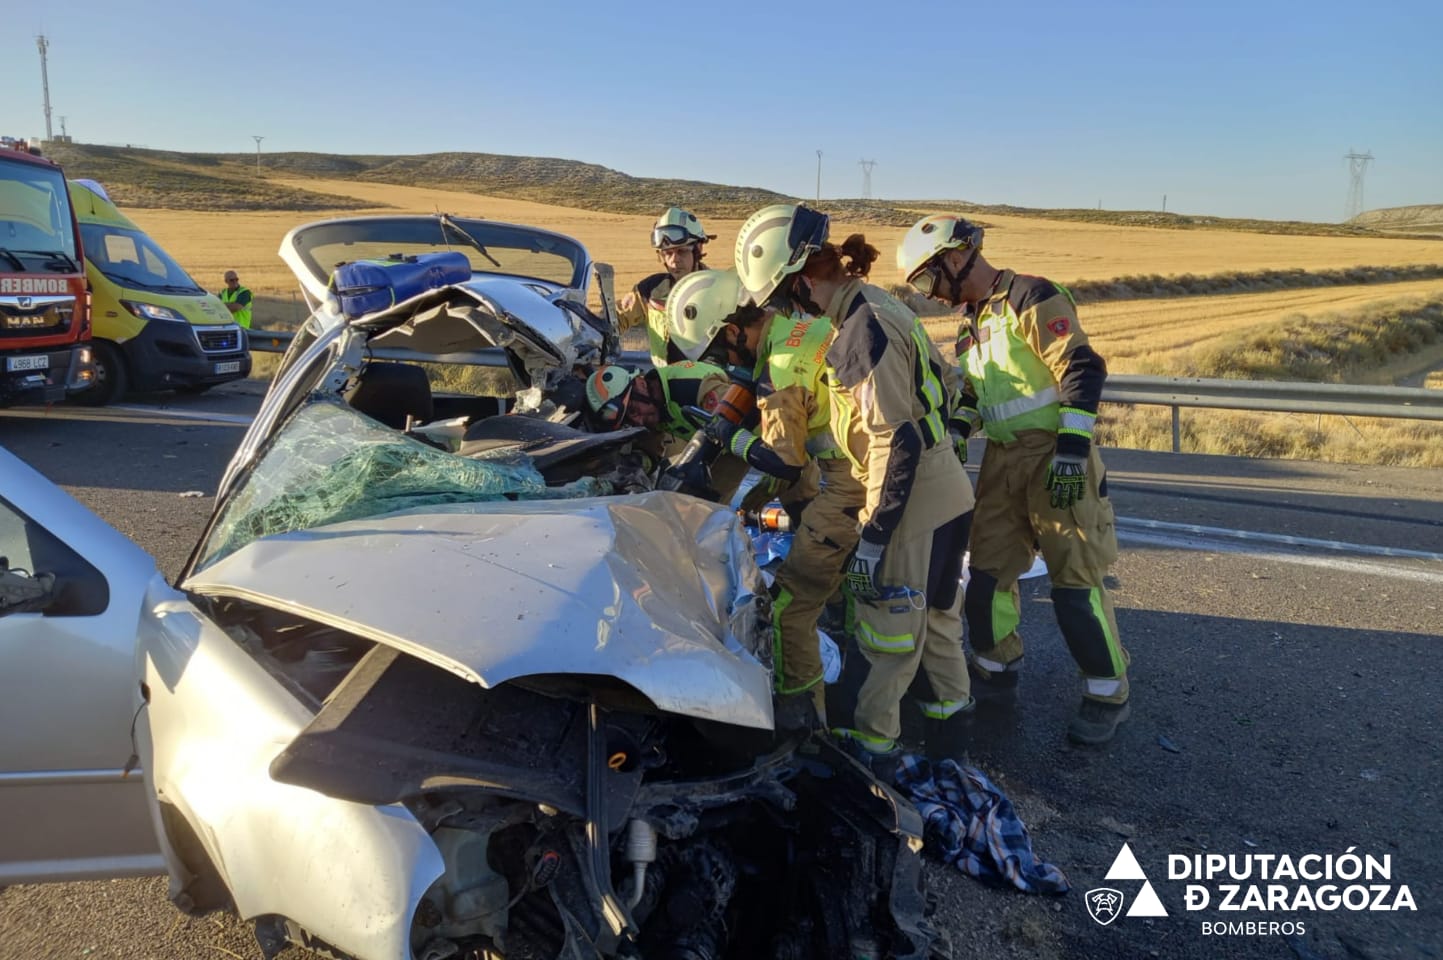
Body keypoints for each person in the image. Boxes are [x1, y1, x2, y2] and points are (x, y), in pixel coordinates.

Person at [735, 203, 976, 772]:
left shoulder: (862, 329)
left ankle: (874, 761)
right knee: (938, 625)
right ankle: (951, 747)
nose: (787, 311)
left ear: (800, 278)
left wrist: (872, 536)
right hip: (946, 493)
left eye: (781, 298)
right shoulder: (875, 308)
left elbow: (897, 442)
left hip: (910, 501)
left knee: (887, 639)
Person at [896, 214, 1130, 745]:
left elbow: (1082, 368)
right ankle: (996, 675)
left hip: (1054, 455)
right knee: (986, 579)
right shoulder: (971, 323)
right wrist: (956, 433)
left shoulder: (1032, 296)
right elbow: (978, 395)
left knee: (1075, 585)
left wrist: (1072, 449)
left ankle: (1107, 692)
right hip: (1001, 459)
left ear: (957, 259)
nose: (932, 295)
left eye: (930, 280)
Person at [667, 265, 852, 709]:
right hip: (882, 471)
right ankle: (851, 643)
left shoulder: (782, 367)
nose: (727, 363)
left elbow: (784, 465)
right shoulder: (792, 325)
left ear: (733, 329)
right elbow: (745, 387)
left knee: (790, 607)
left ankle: (802, 717)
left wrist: (731, 439)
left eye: (722, 350)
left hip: (855, 482)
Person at [614, 207, 714, 367]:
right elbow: (617, 319)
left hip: (713, 385)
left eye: (681, 251)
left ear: (698, 249)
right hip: (664, 384)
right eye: (667, 253)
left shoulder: (721, 288)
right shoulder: (650, 291)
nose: (674, 260)